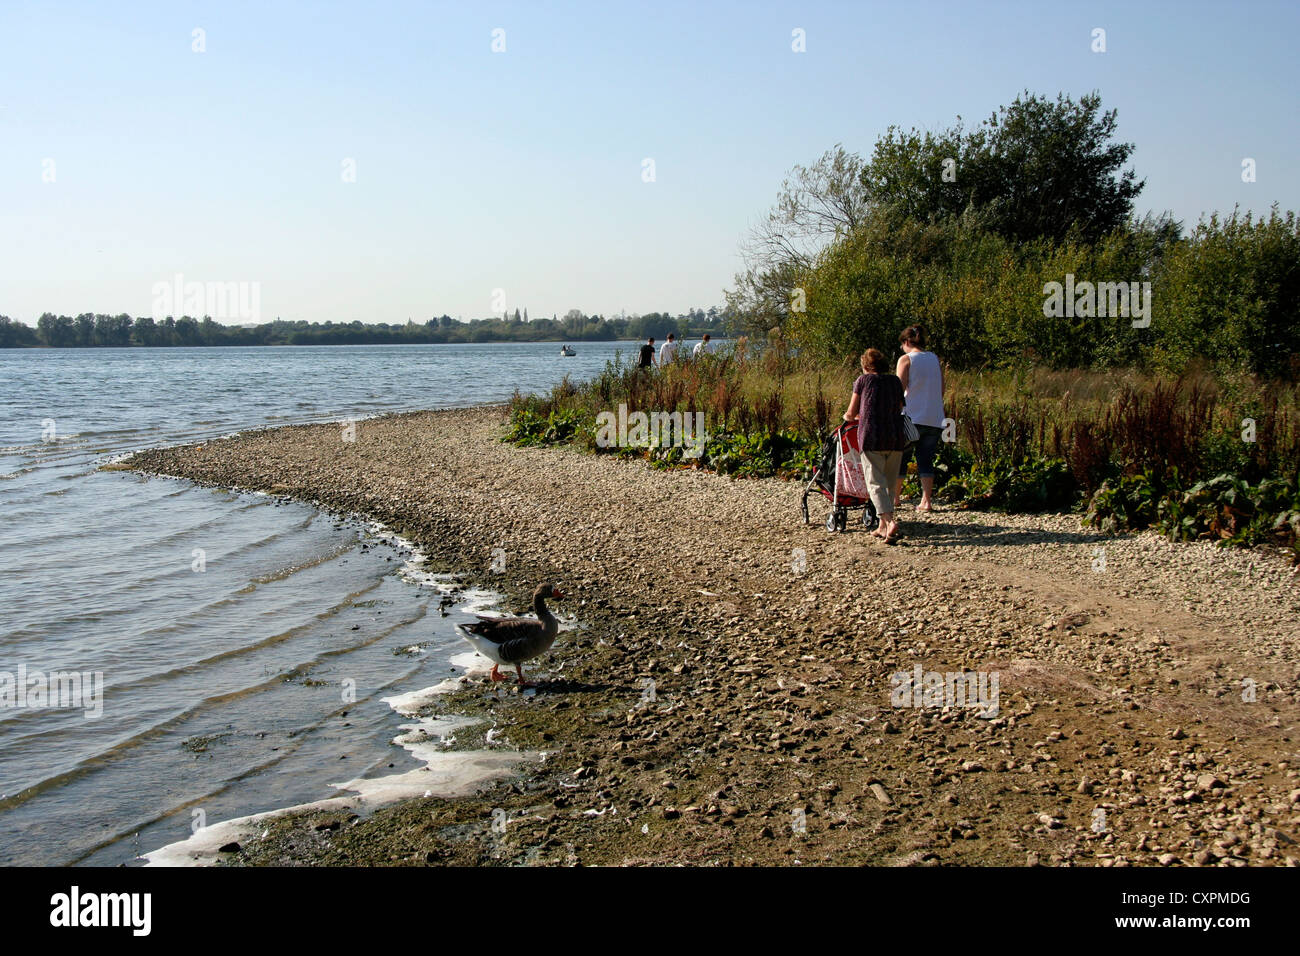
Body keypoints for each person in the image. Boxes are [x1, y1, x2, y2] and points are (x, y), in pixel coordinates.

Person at [843, 347, 906, 543]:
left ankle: (889, 521)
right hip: (896, 437)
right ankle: (881, 528)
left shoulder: (863, 381)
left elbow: (851, 412)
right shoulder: (895, 381)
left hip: (872, 437)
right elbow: (900, 406)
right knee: (889, 483)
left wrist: (848, 417)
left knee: (875, 483)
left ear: (865, 366)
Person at [894, 324, 945, 512]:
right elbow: (941, 389)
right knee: (926, 458)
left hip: (911, 417)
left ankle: (895, 498)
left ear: (907, 342)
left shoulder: (905, 359)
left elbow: (899, 390)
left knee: (901, 457)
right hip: (934, 416)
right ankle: (926, 501)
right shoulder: (934, 359)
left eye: (903, 344)